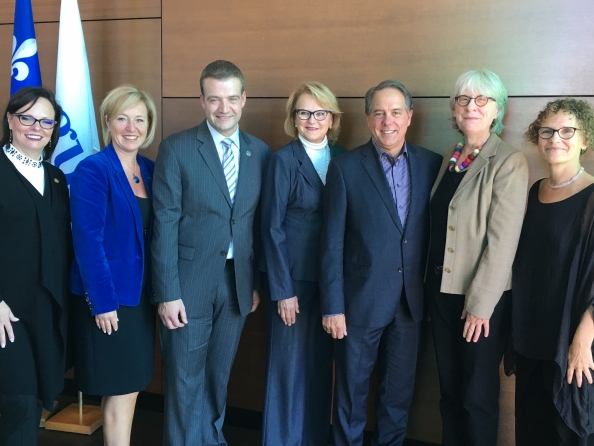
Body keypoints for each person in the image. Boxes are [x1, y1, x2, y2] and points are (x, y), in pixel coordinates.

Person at [152, 60, 270, 446]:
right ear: (201, 101)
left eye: (232, 98)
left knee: (219, 375)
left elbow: (256, 225)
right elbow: (164, 224)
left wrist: (253, 284)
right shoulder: (177, 148)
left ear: (244, 100)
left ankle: (212, 439)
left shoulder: (260, 152)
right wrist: (167, 293)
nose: (224, 108)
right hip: (187, 285)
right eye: (215, 99)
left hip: (237, 284)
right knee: (185, 379)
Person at [319, 79, 441, 446]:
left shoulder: (432, 164)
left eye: (396, 112)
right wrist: (333, 306)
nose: (387, 121)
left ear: (409, 117)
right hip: (359, 305)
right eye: (379, 112)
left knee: (398, 399)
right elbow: (331, 244)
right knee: (350, 399)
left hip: (410, 305)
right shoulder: (345, 168)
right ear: (368, 118)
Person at [425, 69, 528, 446]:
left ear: (497, 109)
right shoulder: (452, 158)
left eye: (482, 99)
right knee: (450, 393)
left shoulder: (508, 161)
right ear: (454, 108)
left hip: (480, 302)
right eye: (464, 99)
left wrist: (481, 305)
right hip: (440, 293)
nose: (471, 106)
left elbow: (503, 241)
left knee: (476, 397)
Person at [69, 84, 157, 446]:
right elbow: (88, 241)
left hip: (141, 299)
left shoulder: (150, 169)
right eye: (122, 118)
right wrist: (103, 302)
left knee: (131, 385)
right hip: (109, 301)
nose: (131, 127)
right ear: (107, 121)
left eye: (139, 119)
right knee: (120, 387)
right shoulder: (93, 169)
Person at [260, 81, 345, 446]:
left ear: (332, 119)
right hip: (291, 284)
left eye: (320, 112)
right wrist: (282, 292)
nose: (312, 119)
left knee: (320, 370)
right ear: (294, 119)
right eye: (304, 112)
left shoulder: (345, 159)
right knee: (288, 372)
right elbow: (271, 228)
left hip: (331, 287)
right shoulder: (282, 160)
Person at [512, 98, 594, 445]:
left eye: (566, 130)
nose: (555, 138)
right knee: (532, 428)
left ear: (584, 139)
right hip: (532, 336)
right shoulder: (534, 191)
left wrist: (583, 338)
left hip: (573, 339)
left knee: (569, 431)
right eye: (547, 131)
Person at [0, 87, 71, 446]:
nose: (36, 127)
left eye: (46, 121)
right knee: (21, 402)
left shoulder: (57, 179)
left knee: (36, 400)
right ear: (10, 121)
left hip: (44, 313)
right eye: (26, 117)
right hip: (5, 315)